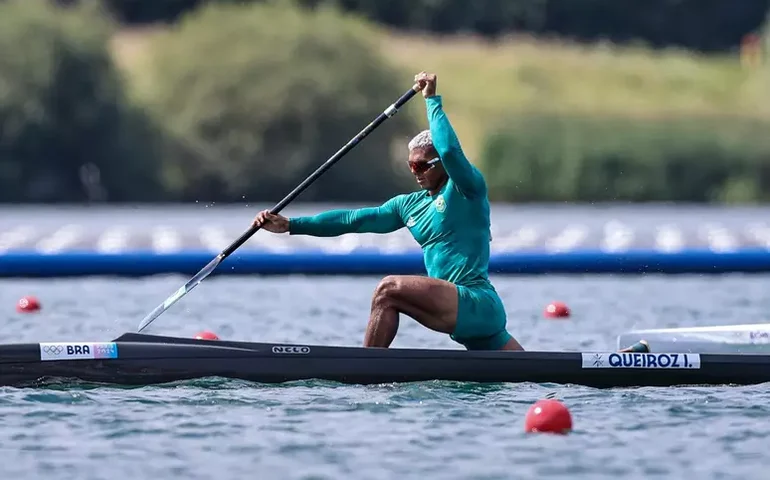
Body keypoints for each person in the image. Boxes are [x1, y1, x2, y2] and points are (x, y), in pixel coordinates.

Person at [252, 72, 524, 352]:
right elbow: (353, 221)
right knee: (531, 376)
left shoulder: (467, 189)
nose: (415, 173)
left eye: (421, 166)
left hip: (475, 302)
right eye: (410, 166)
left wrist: (431, 100)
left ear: (441, 163)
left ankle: (365, 369)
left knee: (387, 290)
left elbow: (451, 151)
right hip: (465, 318)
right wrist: (291, 225)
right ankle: (373, 368)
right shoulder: (408, 205)